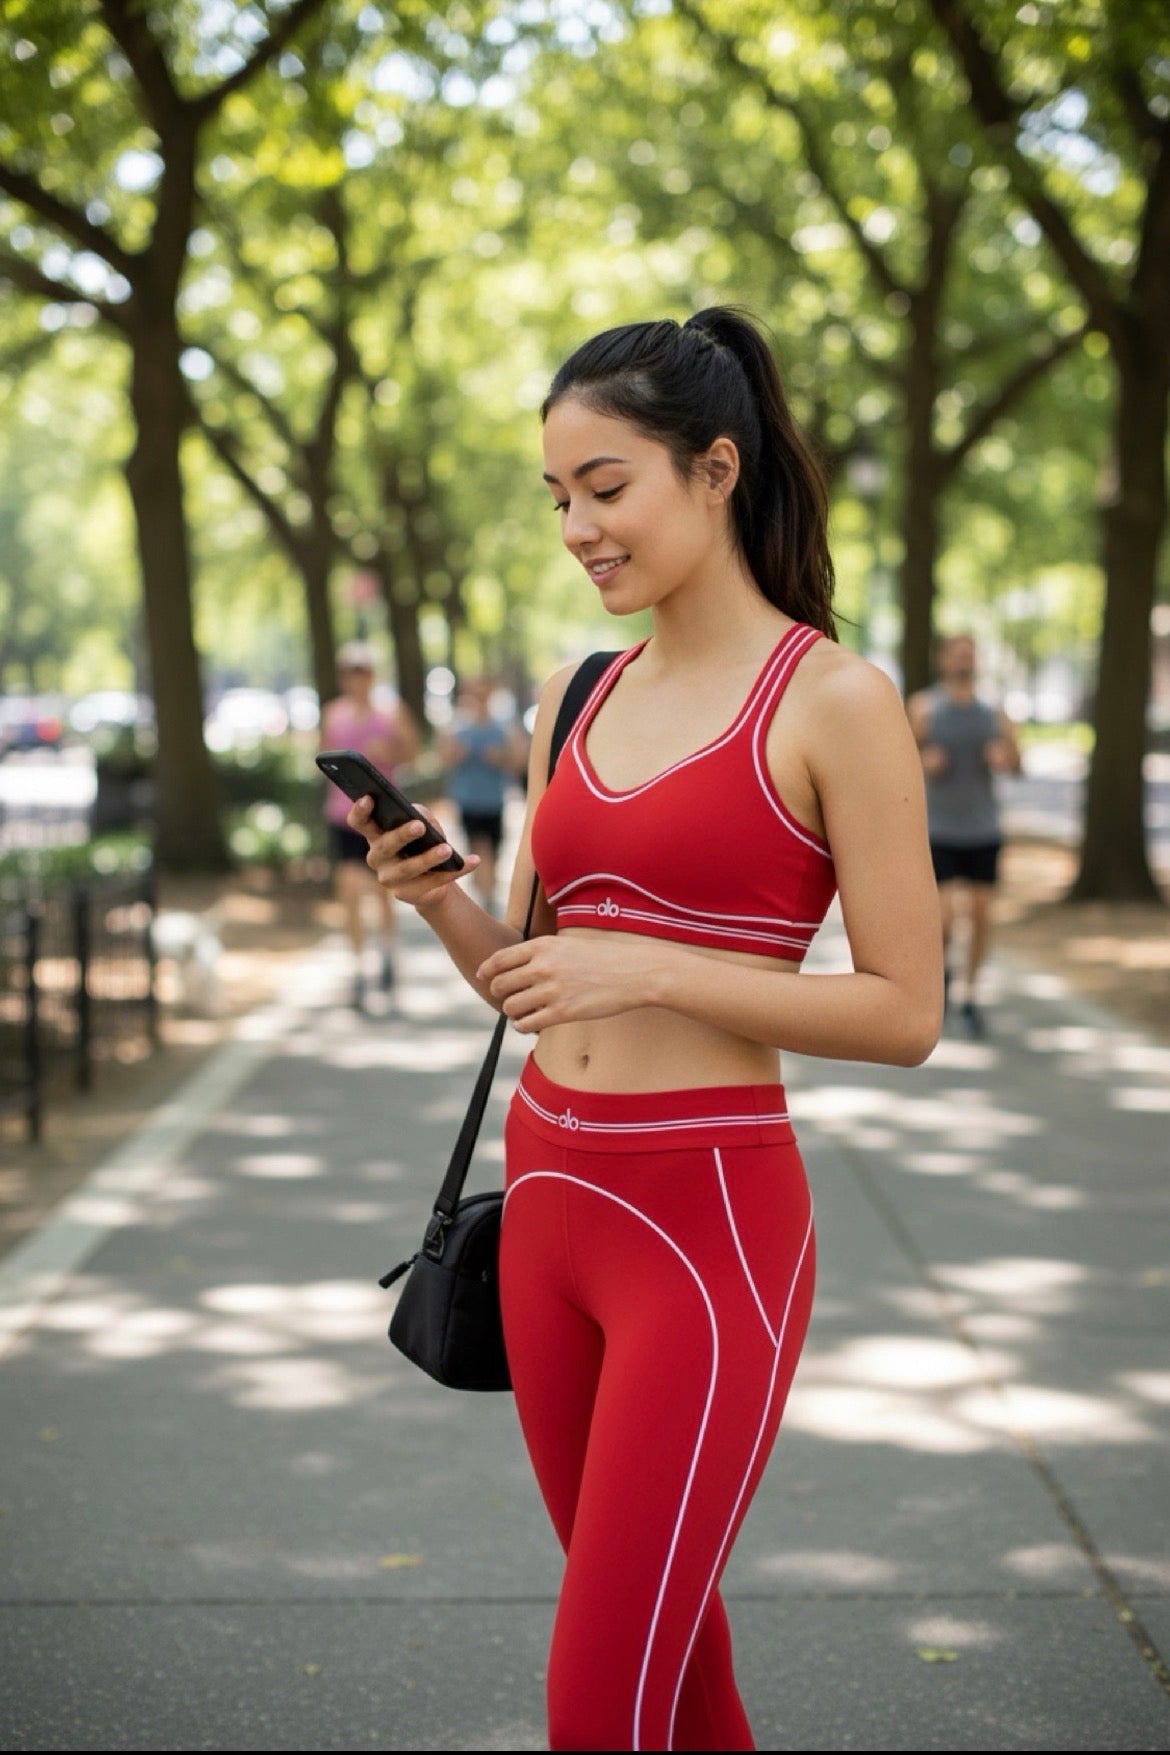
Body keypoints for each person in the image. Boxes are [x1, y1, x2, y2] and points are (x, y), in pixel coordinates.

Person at [348, 309, 942, 1751]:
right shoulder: (578, 691)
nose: (577, 528)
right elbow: (542, 975)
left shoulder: (833, 699)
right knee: (675, 1674)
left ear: (714, 468)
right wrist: (439, 904)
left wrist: (655, 969)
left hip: (708, 1223)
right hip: (547, 1193)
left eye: (605, 487)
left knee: (595, 1700)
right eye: (557, 498)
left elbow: (903, 1010)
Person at [907, 633, 1021, 1038]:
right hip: (938, 828)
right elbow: (899, 762)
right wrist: (923, 761)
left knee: (980, 914)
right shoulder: (925, 707)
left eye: (970, 654)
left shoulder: (993, 710)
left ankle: (970, 994)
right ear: (944, 659)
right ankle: (942, 977)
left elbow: (1017, 765)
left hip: (983, 827)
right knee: (948, 914)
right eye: (958, 653)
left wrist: (1004, 757)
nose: (964, 660)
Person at [319, 639, 418, 1010]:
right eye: (350, 672)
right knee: (348, 889)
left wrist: (388, 752)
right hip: (343, 816)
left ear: (372, 675)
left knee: (382, 891)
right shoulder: (333, 713)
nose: (357, 678)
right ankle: (358, 966)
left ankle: (388, 954)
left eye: (363, 671)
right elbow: (324, 754)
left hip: (381, 817)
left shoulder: (391, 712)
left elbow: (413, 751)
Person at [438, 675, 527, 912]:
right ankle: (485, 900)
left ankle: (486, 893)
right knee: (480, 850)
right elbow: (444, 760)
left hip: (494, 802)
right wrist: (457, 754)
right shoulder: (456, 728)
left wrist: (500, 757)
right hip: (468, 802)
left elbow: (519, 761)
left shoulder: (503, 727)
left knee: (491, 855)